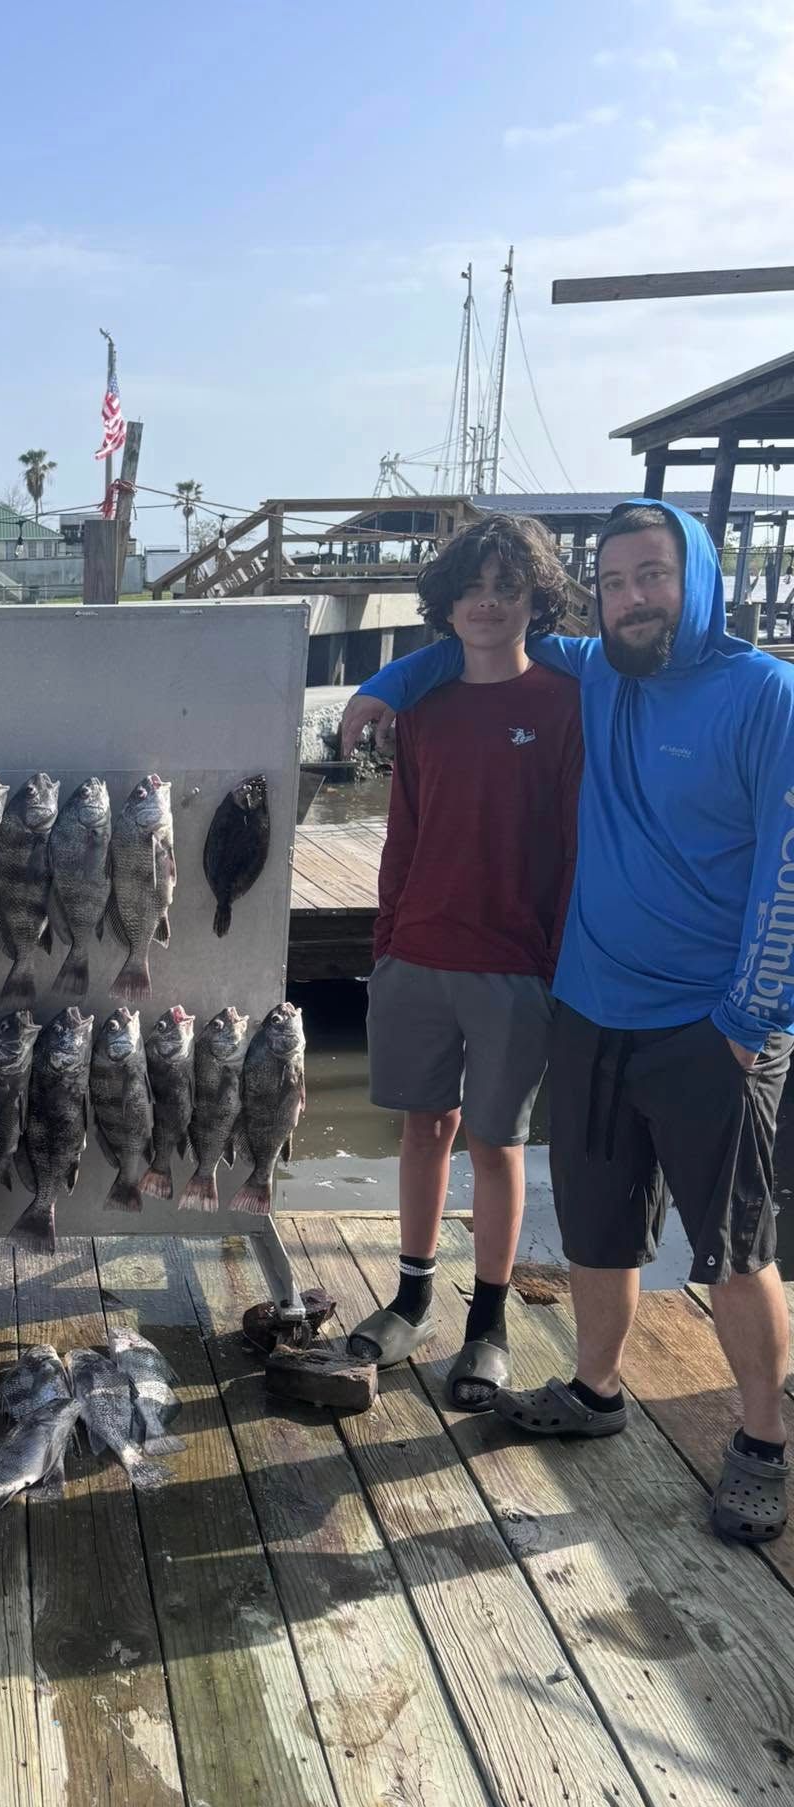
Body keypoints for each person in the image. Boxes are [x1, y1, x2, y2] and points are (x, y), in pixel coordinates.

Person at [341, 499, 794, 1544]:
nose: (636, 598)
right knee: (597, 1228)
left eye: (655, 577)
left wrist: (751, 1014)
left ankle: (762, 1440)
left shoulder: (764, 694)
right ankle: (595, 1390)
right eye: (621, 581)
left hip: (710, 1024)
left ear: (700, 578)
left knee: (731, 1249)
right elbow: (486, 640)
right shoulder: (599, 670)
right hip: (590, 1005)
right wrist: (382, 681)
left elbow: (788, 867)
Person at [347, 515, 581, 1411]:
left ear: (535, 601)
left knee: (498, 1141)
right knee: (422, 1128)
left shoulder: (564, 703)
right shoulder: (422, 704)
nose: (488, 603)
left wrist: (556, 962)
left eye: (508, 588)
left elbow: (572, 844)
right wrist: (386, 937)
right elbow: (402, 830)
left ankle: (487, 1323)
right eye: (473, 588)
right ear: (446, 604)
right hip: (416, 953)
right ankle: (410, 1296)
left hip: (516, 966)